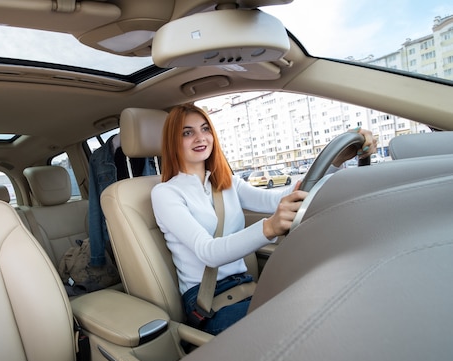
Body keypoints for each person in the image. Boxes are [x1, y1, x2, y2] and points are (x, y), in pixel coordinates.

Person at [151, 103, 377, 335]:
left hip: (247, 287)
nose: (200, 137)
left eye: (205, 129)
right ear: (173, 141)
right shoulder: (165, 193)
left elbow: (284, 199)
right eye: (187, 133)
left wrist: (336, 160)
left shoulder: (226, 183)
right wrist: (269, 227)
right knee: (307, 323)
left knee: (330, 298)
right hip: (210, 303)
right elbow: (209, 251)